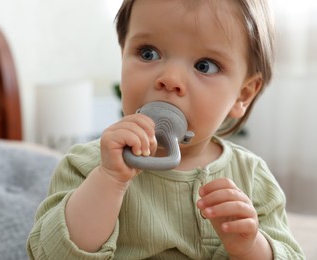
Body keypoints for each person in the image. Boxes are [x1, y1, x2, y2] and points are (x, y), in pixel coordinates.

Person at [27, 0, 305, 259]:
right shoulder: (85, 165)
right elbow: (48, 252)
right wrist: (108, 180)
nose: (170, 79)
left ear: (243, 94)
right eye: (148, 53)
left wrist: (250, 246)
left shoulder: (252, 177)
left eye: (204, 66)